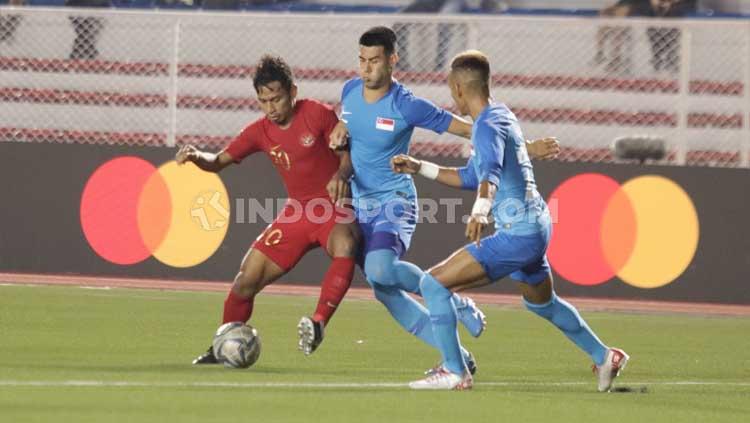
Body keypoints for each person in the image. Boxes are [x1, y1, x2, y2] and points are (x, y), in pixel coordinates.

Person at [329, 27, 560, 375]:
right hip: (360, 203)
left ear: (392, 60)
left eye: (374, 60)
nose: (365, 68)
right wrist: (338, 131)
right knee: (383, 288)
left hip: (395, 200)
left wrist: (525, 150)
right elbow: (347, 128)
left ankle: (452, 299)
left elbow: (476, 130)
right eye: (361, 60)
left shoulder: (408, 105)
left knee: (379, 270)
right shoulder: (349, 91)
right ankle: (457, 354)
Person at [392, 50, 628, 391]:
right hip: (536, 225)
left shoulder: (485, 127)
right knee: (541, 304)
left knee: (432, 284)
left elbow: (489, 177)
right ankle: (605, 355)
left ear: (457, 88)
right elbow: (471, 176)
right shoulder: (500, 115)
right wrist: (419, 167)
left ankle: (455, 372)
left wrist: (479, 212)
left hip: (517, 233)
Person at [177, 55, 360, 362]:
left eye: (276, 99)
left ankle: (317, 323)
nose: (271, 107)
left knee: (346, 244)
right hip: (297, 213)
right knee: (245, 280)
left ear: (293, 92)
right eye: (264, 101)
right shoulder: (258, 132)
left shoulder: (317, 114)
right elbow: (218, 162)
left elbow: (347, 155)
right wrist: (197, 156)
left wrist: (341, 176)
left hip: (332, 207)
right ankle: (223, 342)